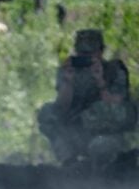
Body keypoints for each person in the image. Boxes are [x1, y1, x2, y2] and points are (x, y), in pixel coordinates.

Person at [37, 29, 137, 169]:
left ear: (101, 51)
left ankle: (105, 167)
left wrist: (100, 80)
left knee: (101, 142)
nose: (86, 58)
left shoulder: (114, 70)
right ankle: (69, 161)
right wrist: (68, 81)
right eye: (82, 54)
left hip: (105, 133)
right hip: (76, 131)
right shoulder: (69, 70)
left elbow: (116, 104)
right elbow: (62, 107)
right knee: (47, 112)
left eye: (91, 54)